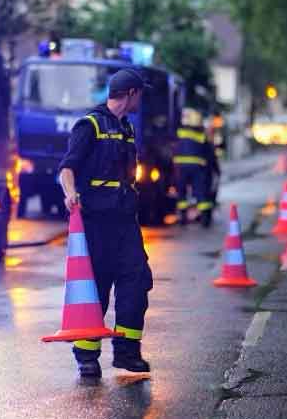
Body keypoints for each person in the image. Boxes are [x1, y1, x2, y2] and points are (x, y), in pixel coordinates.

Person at [58, 69, 153, 378]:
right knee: (95, 286)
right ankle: (87, 355)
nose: (142, 99)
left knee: (137, 281)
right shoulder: (90, 126)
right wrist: (71, 194)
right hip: (96, 222)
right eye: (141, 94)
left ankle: (126, 352)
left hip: (125, 221)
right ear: (131, 94)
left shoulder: (126, 128)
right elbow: (67, 168)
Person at [173, 108, 213, 227]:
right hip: (197, 167)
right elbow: (208, 152)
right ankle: (205, 219)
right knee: (201, 192)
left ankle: (182, 219)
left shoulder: (179, 132)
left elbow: (172, 146)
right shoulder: (201, 134)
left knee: (182, 192)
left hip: (181, 167)